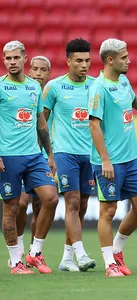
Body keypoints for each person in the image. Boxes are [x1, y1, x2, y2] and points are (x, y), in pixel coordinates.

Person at [88, 38, 137, 277]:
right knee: (108, 210)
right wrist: (105, 159)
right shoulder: (98, 88)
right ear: (110, 60)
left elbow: (132, 99)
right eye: (124, 57)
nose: (129, 61)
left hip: (130, 160)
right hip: (109, 161)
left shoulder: (123, 80)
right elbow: (94, 125)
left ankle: (117, 250)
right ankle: (110, 264)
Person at [0, 41, 58, 274]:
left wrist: (50, 154)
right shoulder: (1, 87)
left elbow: (41, 123)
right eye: (7, 58)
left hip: (34, 156)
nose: (12, 62)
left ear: (25, 59)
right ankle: (15, 261)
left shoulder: (34, 87)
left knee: (51, 198)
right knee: (12, 208)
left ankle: (34, 253)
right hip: (8, 155)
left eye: (16, 57)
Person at [43, 38, 96, 272]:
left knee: (83, 205)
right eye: (79, 61)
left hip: (90, 154)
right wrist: (49, 152)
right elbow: (40, 120)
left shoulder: (96, 85)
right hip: (65, 153)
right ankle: (81, 254)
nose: (84, 65)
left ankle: (66, 258)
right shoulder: (54, 87)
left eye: (87, 60)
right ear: (68, 61)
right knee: (72, 202)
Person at [15, 55, 52, 261]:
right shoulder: (25, 93)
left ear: (49, 74)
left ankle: (34, 252)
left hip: (44, 157)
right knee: (20, 203)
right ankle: (18, 247)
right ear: (29, 71)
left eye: (43, 70)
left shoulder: (52, 95)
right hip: (22, 155)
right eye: (35, 69)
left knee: (41, 206)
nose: (38, 73)